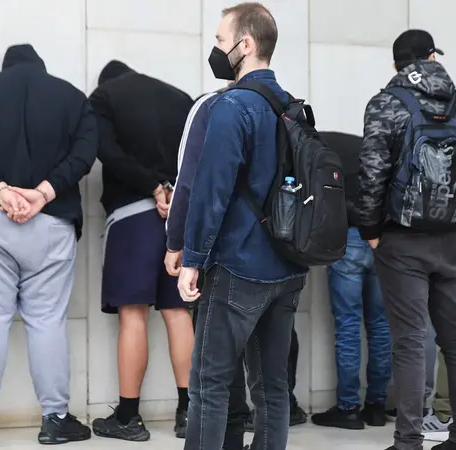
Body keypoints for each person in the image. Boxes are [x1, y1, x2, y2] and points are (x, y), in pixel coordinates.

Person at [0, 44, 96, 447]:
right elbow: (86, 153)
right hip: (52, 222)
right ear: (40, 68)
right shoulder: (73, 98)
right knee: (47, 320)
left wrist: (0, 190)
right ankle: (56, 419)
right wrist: (44, 193)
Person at [177, 3, 308, 450]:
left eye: (220, 40)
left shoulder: (231, 106)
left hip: (238, 267)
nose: (216, 48)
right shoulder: (293, 108)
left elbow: (209, 190)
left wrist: (192, 259)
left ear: (245, 45)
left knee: (209, 385)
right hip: (288, 266)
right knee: (272, 388)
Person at [359, 29, 456, 450]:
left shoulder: (386, 103)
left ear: (396, 65)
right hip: (452, 238)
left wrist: (370, 230)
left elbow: (372, 172)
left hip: (401, 240)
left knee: (409, 341)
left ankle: (408, 442)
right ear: (433, 57)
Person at [89, 60, 195, 442]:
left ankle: (128, 418)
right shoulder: (180, 98)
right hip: (178, 220)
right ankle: (189, 413)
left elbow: (106, 151)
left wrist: (151, 186)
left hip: (132, 217)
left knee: (133, 314)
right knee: (178, 312)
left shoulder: (104, 96)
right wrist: (174, 191)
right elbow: (196, 157)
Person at [165, 85, 251, 450]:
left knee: (212, 376)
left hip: (222, 254)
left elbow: (189, 183)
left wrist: (178, 244)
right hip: (275, 257)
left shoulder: (212, 105)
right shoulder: (282, 106)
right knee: (271, 385)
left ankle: (227, 441)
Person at [311, 132, 392, 430]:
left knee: (347, 325)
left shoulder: (318, 150)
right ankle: (377, 407)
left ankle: (348, 409)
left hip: (350, 240)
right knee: (381, 326)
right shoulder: (367, 148)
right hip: (383, 239)